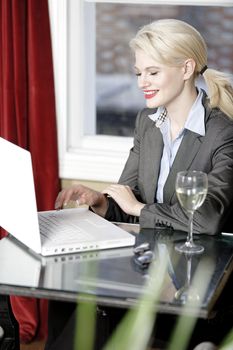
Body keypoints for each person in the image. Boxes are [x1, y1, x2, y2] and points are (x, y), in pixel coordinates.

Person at [45, 19, 233, 349]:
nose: (141, 82)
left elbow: (207, 219)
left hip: (198, 277)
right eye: (138, 73)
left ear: (186, 68)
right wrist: (102, 202)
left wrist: (138, 207)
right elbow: (128, 198)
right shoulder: (147, 123)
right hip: (150, 264)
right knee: (68, 297)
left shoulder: (222, 130)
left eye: (152, 72)